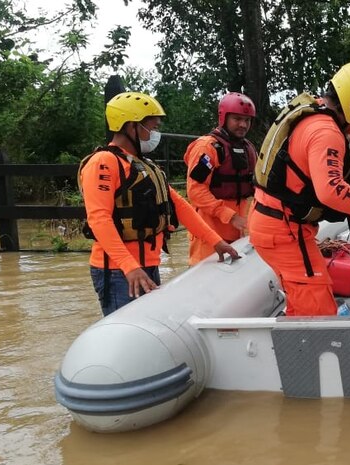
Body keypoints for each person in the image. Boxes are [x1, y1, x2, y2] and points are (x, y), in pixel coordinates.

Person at [249, 61, 350, 317]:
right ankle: (303, 353)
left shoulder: (316, 111)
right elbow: (331, 191)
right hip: (285, 230)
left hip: (273, 221)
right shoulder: (325, 131)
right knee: (319, 311)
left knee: (308, 298)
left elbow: (341, 140)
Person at [79, 91, 240, 316]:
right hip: (119, 271)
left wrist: (215, 241)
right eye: (151, 127)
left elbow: (180, 205)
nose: (155, 134)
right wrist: (130, 266)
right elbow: (99, 219)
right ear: (130, 126)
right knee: (130, 335)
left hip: (147, 266)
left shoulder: (146, 166)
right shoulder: (103, 163)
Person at [183, 92, 258, 265]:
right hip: (209, 231)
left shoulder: (249, 148)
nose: (243, 125)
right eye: (237, 119)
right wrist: (230, 216)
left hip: (238, 230)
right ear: (224, 118)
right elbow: (195, 191)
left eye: (247, 120)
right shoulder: (208, 148)